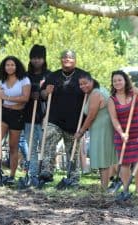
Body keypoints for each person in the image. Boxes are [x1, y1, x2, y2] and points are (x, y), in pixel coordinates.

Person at [40, 50, 88, 187]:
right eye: (64, 57)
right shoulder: (53, 76)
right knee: (48, 138)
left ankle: (73, 177)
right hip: (55, 119)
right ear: (61, 60)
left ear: (75, 60)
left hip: (74, 121)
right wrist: (45, 92)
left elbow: (93, 90)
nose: (67, 59)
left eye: (70, 57)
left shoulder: (83, 76)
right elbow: (42, 94)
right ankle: (47, 172)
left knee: (72, 150)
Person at [108, 70, 138, 196]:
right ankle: (126, 189)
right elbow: (114, 119)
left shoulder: (134, 93)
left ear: (125, 80)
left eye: (119, 80)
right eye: (115, 81)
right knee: (125, 163)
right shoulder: (112, 99)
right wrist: (122, 133)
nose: (117, 83)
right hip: (122, 133)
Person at [75, 73, 117, 189]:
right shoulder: (98, 90)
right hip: (102, 126)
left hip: (101, 128)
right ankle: (105, 186)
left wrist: (81, 131)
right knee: (104, 157)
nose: (83, 86)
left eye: (85, 83)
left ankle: (104, 188)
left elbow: (91, 115)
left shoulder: (95, 93)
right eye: (80, 84)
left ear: (92, 81)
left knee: (102, 157)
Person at [0, 56, 31, 185]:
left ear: (17, 66)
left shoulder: (24, 80)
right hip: (4, 113)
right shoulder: (2, 81)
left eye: (12, 65)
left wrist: (7, 96)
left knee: (13, 146)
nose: (9, 67)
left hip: (18, 114)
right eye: (7, 65)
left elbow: (25, 98)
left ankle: (12, 175)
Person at [24, 44, 50, 180]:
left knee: (44, 146)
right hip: (28, 116)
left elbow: (50, 94)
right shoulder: (25, 75)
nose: (36, 60)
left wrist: (40, 94)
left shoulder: (49, 75)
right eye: (34, 58)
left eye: (39, 58)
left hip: (44, 116)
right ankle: (33, 173)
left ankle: (44, 172)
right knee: (31, 146)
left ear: (44, 59)